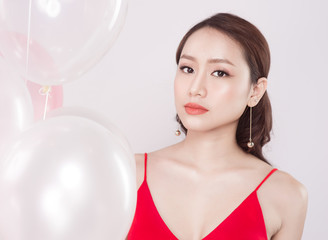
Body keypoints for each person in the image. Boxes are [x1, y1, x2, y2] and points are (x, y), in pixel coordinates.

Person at [127, 13, 308, 240]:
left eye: (219, 73)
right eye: (187, 69)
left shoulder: (286, 196)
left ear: (255, 91)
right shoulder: (127, 173)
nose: (195, 88)